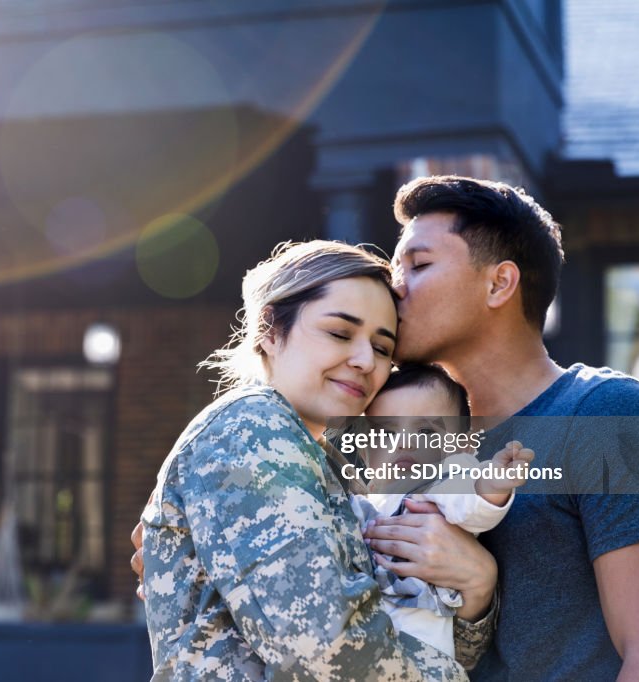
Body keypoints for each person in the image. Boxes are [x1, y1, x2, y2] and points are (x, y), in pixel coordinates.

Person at [363, 175, 639, 680]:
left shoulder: (615, 417)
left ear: (499, 283)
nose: (394, 287)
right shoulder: (405, 443)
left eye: (418, 265)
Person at [140, 240, 490, 680]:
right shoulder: (252, 429)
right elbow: (328, 651)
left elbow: (407, 638)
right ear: (269, 328)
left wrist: (477, 587)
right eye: (340, 333)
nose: (365, 361)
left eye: (383, 348)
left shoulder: (328, 462)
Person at [346, 363, 533, 659]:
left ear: (464, 446)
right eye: (385, 432)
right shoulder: (364, 502)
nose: (403, 441)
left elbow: (469, 502)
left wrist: (491, 483)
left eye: (425, 430)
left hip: (421, 645)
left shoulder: (439, 486)